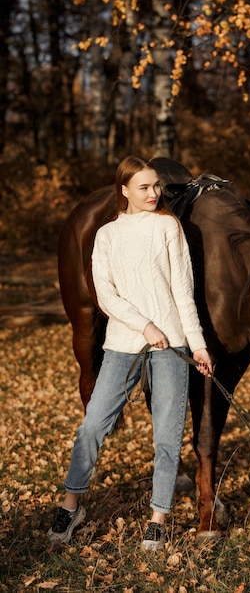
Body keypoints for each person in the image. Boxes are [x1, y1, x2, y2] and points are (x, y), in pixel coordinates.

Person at [48, 156, 213, 550]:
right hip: (122, 347)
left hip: (172, 347)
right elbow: (105, 295)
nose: (154, 193)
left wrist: (199, 344)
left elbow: (182, 292)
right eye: (144, 187)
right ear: (124, 190)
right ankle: (72, 505)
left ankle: (158, 517)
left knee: (166, 437)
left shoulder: (168, 227)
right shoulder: (106, 236)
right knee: (91, 427)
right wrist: (145, 326)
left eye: (156, 186)